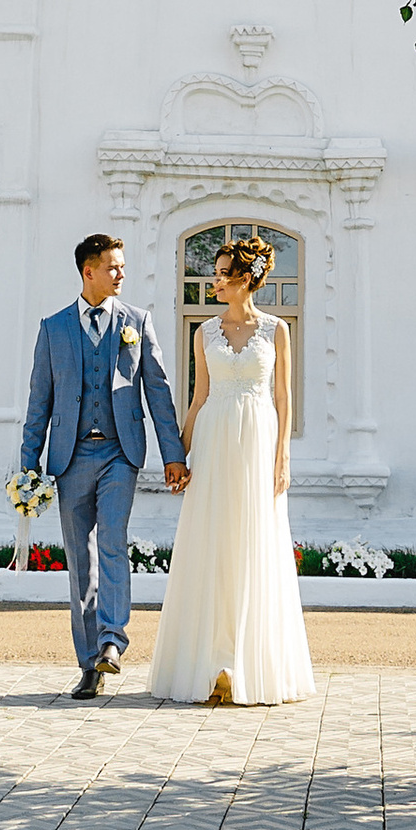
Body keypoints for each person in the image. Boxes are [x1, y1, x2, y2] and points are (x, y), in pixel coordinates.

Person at [145, 234, 315, 705]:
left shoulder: (276, 330)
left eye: (222, 274)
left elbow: (283, 399)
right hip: (216, 438)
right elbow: (198, 398)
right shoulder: (204, 333)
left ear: (245, 279)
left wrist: (282, 457)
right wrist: (178, 457)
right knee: (212, 540)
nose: (215, 280)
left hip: (259, 441)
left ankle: (251, 663)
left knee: (254, 541)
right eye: (215, 273)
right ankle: (210, 661)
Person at [20, 232, 188, 699]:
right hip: (70, 457)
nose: (121, 273)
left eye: (123, 266)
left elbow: (158, 390)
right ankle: (90, 662)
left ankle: (113, 640)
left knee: (112, 540)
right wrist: (28, 467)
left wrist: (174, 454)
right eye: (113, 266)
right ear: (87, 271)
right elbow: (39, 403)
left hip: (119, 453)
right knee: (80, 561)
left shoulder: (137, 322)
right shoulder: (52, 329)